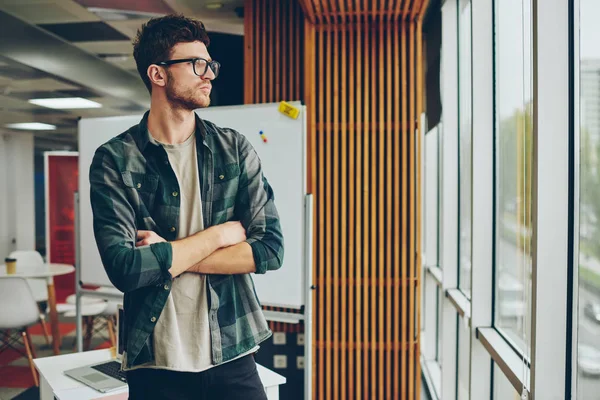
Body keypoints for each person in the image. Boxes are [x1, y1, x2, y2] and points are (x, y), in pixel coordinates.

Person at [89, 14, 284, 400]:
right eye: (197, 64)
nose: (209, 73)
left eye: (210, 64)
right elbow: (125, 268)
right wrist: (218, 235)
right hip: (156, 362)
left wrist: (173, 255)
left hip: (233, 350)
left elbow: (270, 249)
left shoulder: (234, 149)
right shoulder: (115, 159)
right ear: (158, 75)